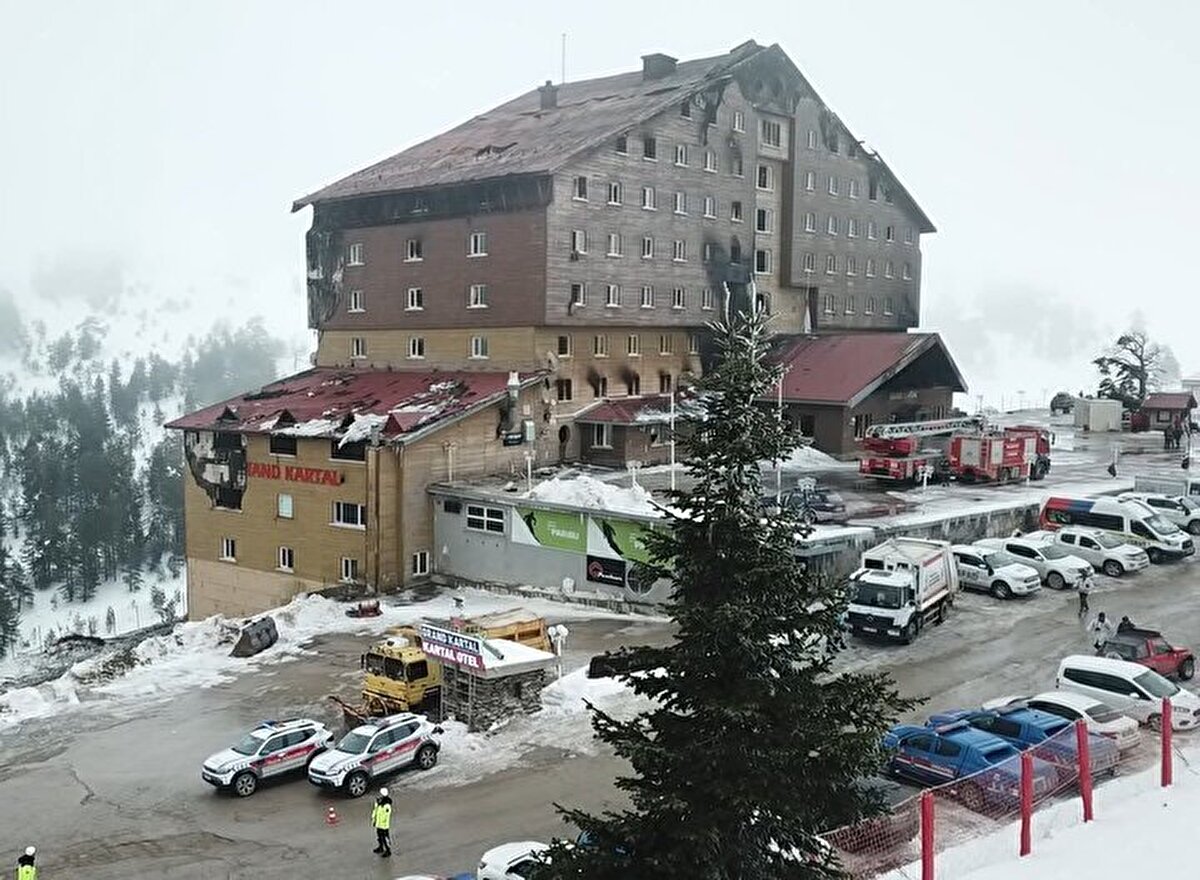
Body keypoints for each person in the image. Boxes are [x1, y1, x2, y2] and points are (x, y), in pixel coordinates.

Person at [371, 787, 393, 858]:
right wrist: (374, 820)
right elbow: (375, 811)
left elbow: (386, 816)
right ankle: (381, 847)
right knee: (379, 836)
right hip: (378, 823)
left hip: (384, 825)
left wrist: (382, 823)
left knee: (385, 838)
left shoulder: (386, 805)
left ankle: (388, 850)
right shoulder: (378, 802)